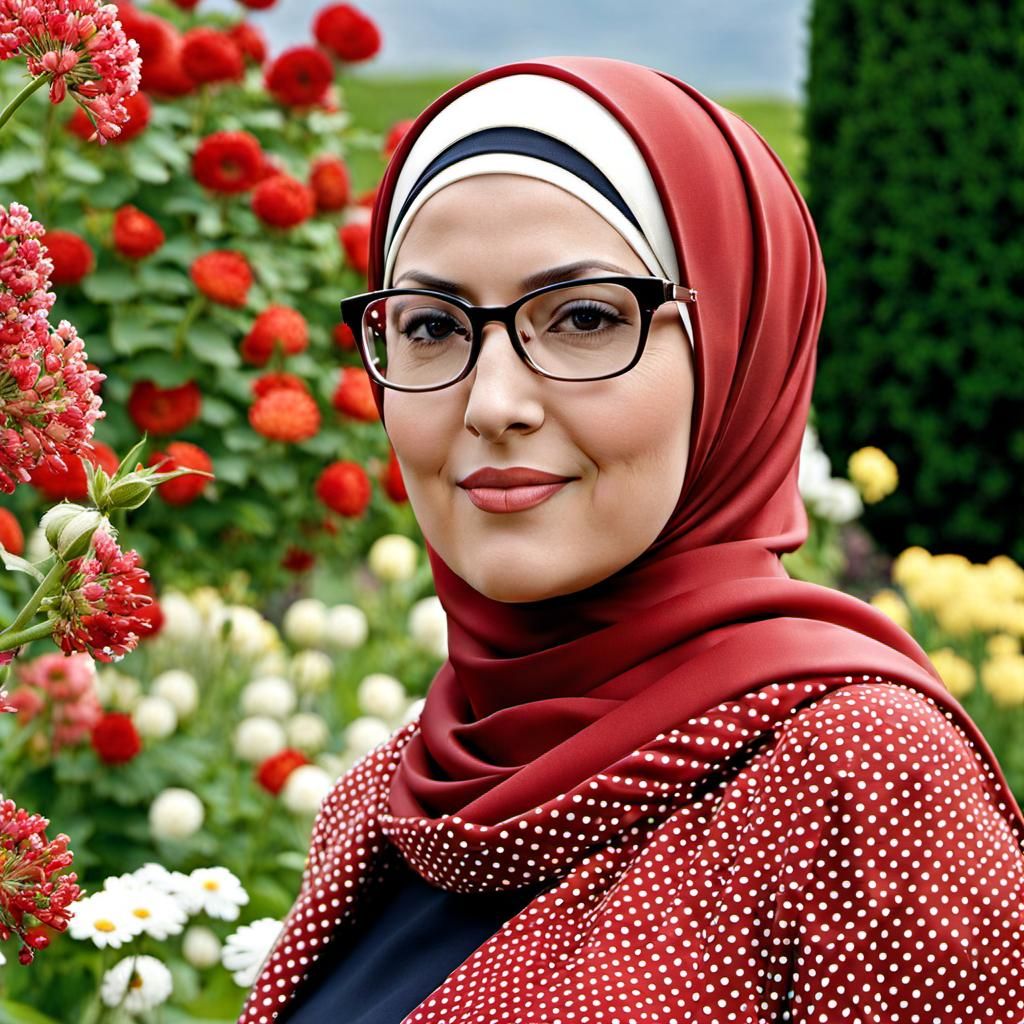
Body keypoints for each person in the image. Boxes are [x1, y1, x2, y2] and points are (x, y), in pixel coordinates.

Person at [237, 56, 1024, 1024]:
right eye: (433, 326)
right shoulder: (390, 800)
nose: (491, 405)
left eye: (581, 317)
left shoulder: (860, 781)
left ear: (738, 346)